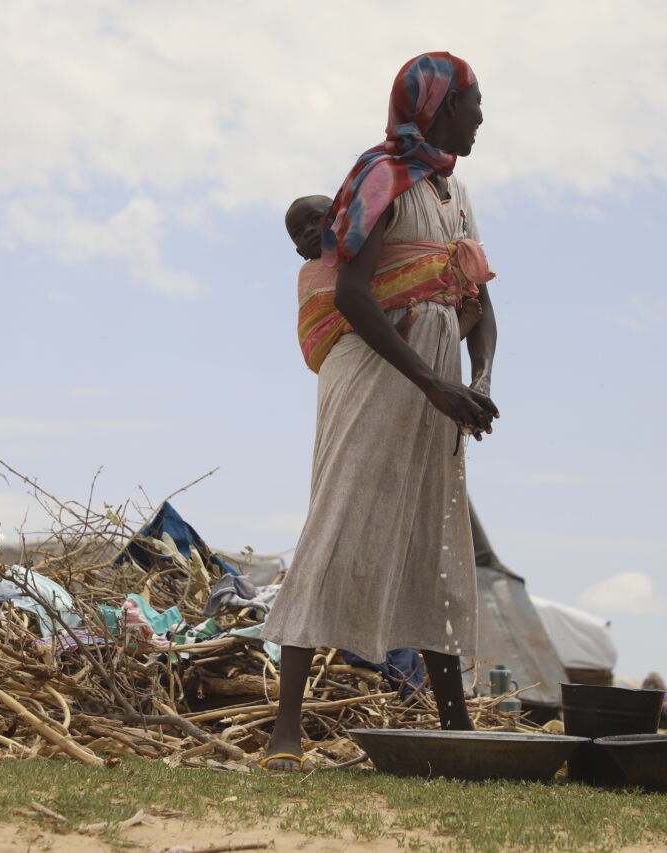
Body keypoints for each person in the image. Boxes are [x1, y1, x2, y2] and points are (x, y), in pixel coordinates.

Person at [261, 52, 498, 772]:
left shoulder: (456, 194)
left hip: (436, 381)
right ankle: (285, 734)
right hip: (374, 370)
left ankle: (453, 724)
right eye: (472, 102)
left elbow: (480, 302)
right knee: (339, 522)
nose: (482, 115)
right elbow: (353, 296)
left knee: (433, 531)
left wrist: (478, 378)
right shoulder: (382, 178)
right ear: (435, 108)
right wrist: (433, 382)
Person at [286, 195, 483, 346]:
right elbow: (327, 310)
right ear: (299, 252)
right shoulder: (310, 271)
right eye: (298, 232)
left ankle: (454, 333)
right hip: (341, 336)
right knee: (354, 309)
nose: (309, 230)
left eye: (316, 219)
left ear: (340, 218)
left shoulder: (362, 250)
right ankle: (396, 332)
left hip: (401, 319)